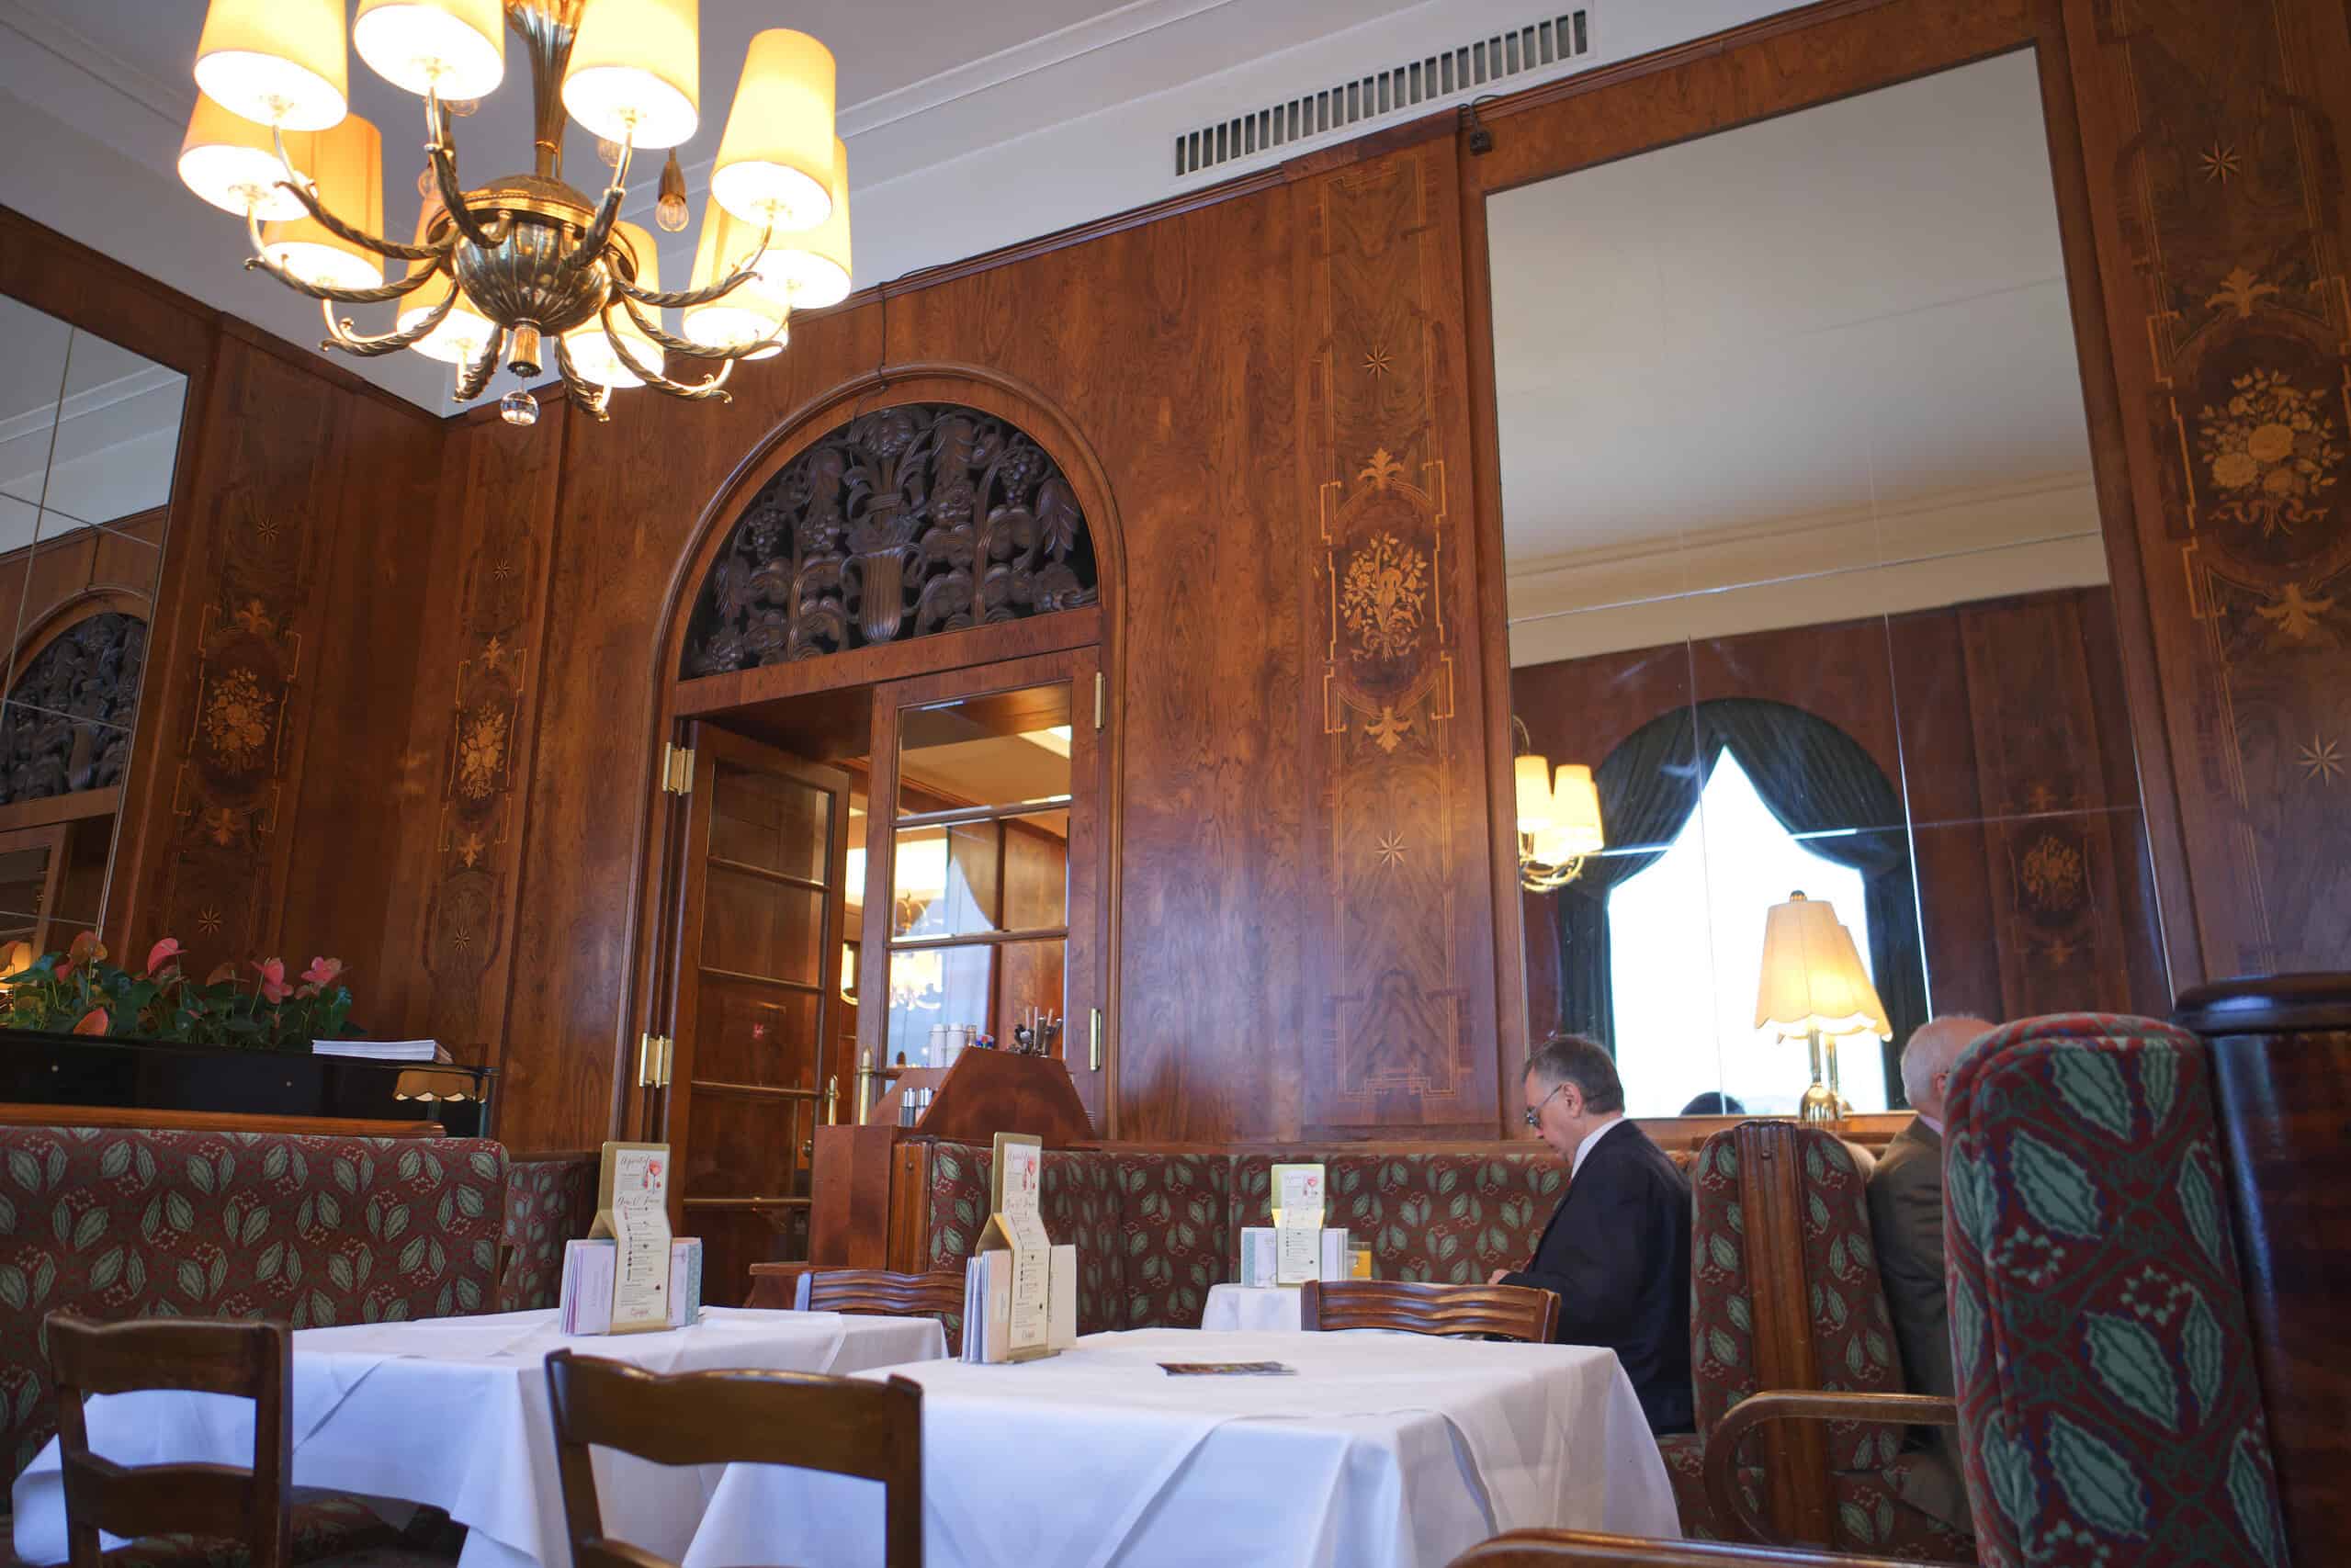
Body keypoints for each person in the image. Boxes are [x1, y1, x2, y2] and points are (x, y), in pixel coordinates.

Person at [1491, 1033, 1694, 1433]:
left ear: (1570, 1098)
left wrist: (1509, 1288)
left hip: (1630, 1399)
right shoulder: (1637, 1158)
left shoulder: (1618, 1171)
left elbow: (1597, 1305)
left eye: (1535, 1115)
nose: (1535, 1132)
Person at [1867, 1013, 1992, 1535]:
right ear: (1948, 1083)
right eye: (1995, 1067)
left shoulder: (1951, 1154)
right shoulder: (1913, 1173)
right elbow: (1990, 1288)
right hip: (1976, 1395)